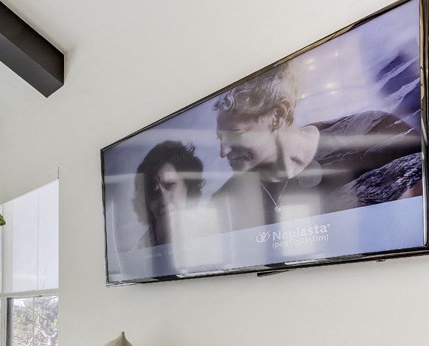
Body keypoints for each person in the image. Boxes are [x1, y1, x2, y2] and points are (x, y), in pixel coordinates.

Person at [210, 63, 421, 231]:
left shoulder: (372, 132)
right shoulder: (226, 198)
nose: (223, 151)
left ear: (277, 116)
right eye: (220, 139)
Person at [132, 140, 205, 248]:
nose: (163, 198)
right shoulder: (139, 252)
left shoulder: (211, 235)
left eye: (170, 185)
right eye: (154, 192)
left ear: (188, 185)